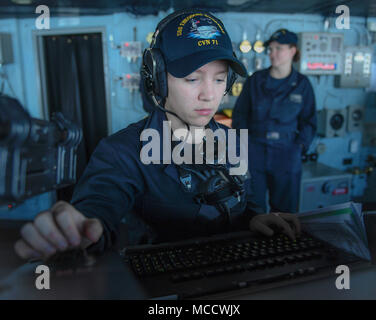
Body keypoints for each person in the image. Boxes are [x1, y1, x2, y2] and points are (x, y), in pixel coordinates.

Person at [14, 10, 301, 260]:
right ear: (157, 78)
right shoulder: (121, 152)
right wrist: (80, 231)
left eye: (219, 78)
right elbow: (98, 207)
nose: (210, 95)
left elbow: (245, 203)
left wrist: (254, 219)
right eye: (192, 78)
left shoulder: (232, 141)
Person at [232, 29, 317, 214]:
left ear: (293, 50)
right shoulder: (255, 81)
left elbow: (309, 122)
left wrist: (299, 147)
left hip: (286, 152)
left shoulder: (302, 85)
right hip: (255, 150)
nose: (272, 53)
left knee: (285, 212)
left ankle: (284, 244)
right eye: (270, 49)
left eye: (278, 48)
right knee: (251, 209)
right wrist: (243, 146)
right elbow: (240, 115)